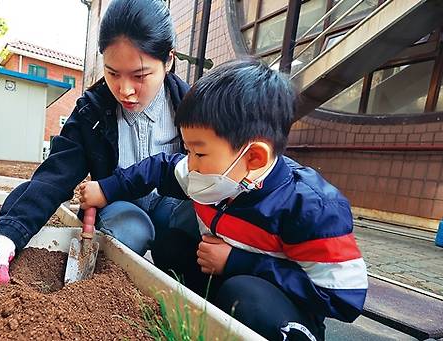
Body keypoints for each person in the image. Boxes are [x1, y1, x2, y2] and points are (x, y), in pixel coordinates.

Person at [78, 59, 368, 341]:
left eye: (199, 153)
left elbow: (343, 298)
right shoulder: (209, 171)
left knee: (245, 298)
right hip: (224, 276)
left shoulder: (310, 207)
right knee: (170, 246)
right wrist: (107, 189)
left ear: (254, 156)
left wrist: (239, 262)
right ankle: (204, 319)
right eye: (188, 150)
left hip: (279, 309)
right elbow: (161, 167)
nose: (189, 164)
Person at [0, 0, 199, 285]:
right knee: (128, 229)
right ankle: (115, 290)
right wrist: (8, 236)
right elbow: (55, 175)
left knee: (193, 224)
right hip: (121, 206)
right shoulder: (93, 112)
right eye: (112, 73)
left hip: (172, 206)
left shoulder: (194, 108)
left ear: (168, 60)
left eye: (140, 76)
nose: (125, 90)